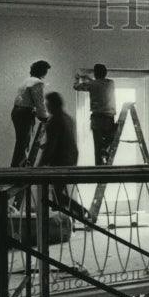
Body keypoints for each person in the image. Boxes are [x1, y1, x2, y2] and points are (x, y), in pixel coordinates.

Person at [39, 91, 88, 220]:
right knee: (58, 193)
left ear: (53, 104)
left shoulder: (55, 120)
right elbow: (67, 141)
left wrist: (40, 164)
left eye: (47, 103)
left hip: (60, 161)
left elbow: (52, 145)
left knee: (57, 194)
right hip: (70, 159)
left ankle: (79, 213)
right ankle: (68, 217)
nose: (46, 106)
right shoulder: (68, 118)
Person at [72, 64, 117, 165]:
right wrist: (88, 78)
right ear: (105, 73)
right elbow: (97, 82)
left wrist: (77, 78)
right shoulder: (110, 83)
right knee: (108, 144)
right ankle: (107, 162)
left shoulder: (92, 84)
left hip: (97, 119)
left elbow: (76, 87)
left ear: (95, 74)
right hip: (109, 118)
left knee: (97, 147)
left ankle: (99, 172)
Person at [10, 60, 51, 167]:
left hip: (16, 111)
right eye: (46, 71)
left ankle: (17, 167)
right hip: (25, 113)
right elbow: (39, 102)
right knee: (23, 143)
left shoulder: (27, 81)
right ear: (42, 72)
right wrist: (45, 117)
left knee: (21, 142)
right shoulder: (37, 83)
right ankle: (18, 169)